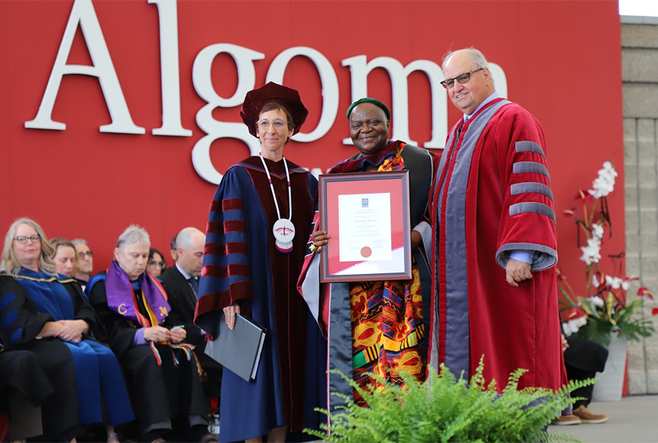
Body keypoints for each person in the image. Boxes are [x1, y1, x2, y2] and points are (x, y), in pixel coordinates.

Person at [428, 47, 566, 393]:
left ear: (486, 75)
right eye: (449, 82)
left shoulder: (512, 119)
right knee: (475, 358)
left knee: (510, 354)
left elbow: (529, 187)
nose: (456, 87)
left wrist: (521, 252)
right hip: (468, 271)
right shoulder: (459, 131)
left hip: (501, 267)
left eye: (464, 77)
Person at [195, 82, 326, 443]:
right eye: (265, 123)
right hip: (256, 300)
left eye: (279, 124)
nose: (271, 130)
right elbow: (226, 240)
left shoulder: (306, 183)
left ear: (292, 130)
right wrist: (232, 296)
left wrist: (320, 243)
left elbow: (316, 240)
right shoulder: (239, 176)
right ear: (255, 130)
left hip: (298, 300)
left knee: (289, 385)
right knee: (256, 386)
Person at [303, 98, 436, 408]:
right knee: (363, 374)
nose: (365, 129)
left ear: (388, 124)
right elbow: (318, 235)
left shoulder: (420, 162)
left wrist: (416, 237)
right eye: (357, 125)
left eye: (373, 122)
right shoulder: (338, 174)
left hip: (407, 287)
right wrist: (319, 242)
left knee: (407, 368)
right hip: (357, 294)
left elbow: (440, 215)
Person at [0, 218, 133, 442]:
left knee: (104, 354)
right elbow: (15, 322)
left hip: (74, 337)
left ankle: (112, 431)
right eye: (21, 239)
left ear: (42, 242)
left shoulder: (61, 279)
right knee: (71, 358)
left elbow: (86, 310)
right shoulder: (7, 281)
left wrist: (79, 324)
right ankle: (67, 434)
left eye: (34, 238)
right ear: (11, 245)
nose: (29, 243)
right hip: (38, 342)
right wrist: (58, 329)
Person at [87, 225, 215, 442]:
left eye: (144, 256)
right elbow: (104, 330)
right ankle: (153, 431)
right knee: (149, 357)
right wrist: (143, 335)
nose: (140, 262)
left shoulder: (154, 285)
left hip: (158, 343)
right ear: (118, 254)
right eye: (134, 255)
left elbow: (169, 319)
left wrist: (174, 332)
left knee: (184, 353)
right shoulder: (102, 285)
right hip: (125, 348)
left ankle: (196, 428)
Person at [160, 227, 222, 400]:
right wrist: (205, 328)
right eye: (198, 255)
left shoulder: (204, 279)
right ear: (180, 252)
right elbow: (172, 324)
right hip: (190, 344)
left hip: (212, 341)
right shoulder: (165, 283)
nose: (203, 260)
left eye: (206, 255)